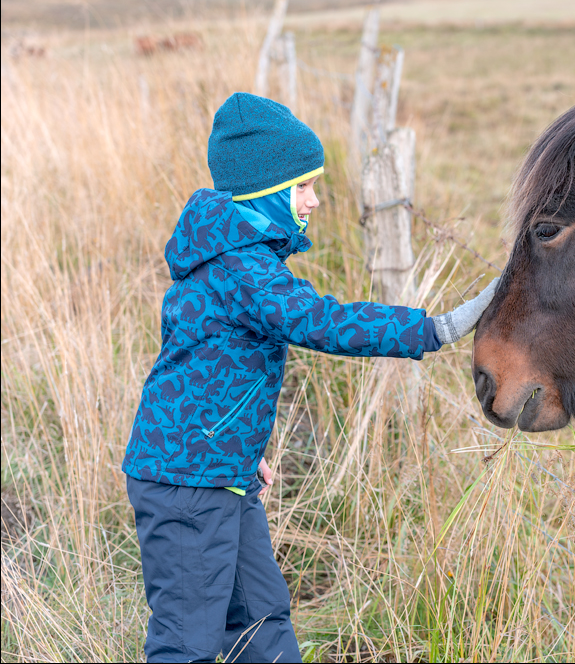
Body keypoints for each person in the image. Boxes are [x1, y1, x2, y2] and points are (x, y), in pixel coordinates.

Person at [122, 92, 497, 663]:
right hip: (187, 486)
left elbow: (199, 369)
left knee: (261, 618)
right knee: (187, 641)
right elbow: (321, 321)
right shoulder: (243, 268)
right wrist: (435, 330)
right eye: (303, 186)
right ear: (262, 192)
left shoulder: (232, 256)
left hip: (219, 471)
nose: (315, 199)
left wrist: (240, 449)